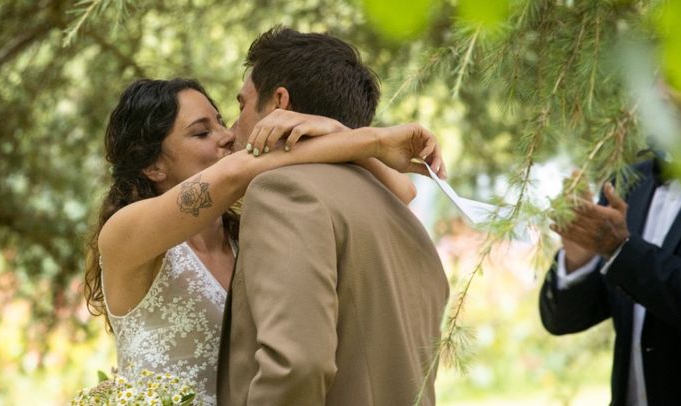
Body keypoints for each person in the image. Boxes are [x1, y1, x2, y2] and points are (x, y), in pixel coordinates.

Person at [82, 77, 443, 405]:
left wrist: (335, 129)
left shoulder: (248, 237)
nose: (225, 135)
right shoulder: (123, 235)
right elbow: (236, 173)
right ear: (153, 167)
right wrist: (375, 140)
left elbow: (403, 193)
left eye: (221, 121)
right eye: (200, 133)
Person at [217, 27, 449, 405]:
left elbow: (298, 365)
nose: (230, 131)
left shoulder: (284, 192)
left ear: (279, 102)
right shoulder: (403, 217)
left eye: (241, 106)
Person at [539, 83, 681, 405]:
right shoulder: (629, 183)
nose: (661, 92)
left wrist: (621, 250)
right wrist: (577, 260)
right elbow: (564, 320)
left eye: (679, 77)